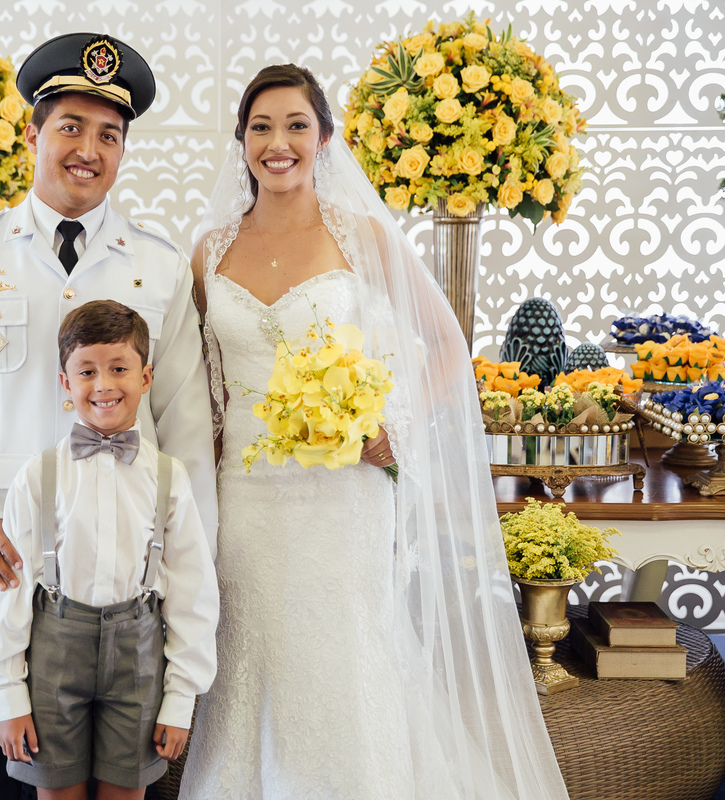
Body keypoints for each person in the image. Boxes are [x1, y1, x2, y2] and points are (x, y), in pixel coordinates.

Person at [177, 65, 569, 799]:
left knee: (346, 660)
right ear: (242, 143)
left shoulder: (359, 236)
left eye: (296, 124)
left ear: (324, 138)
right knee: (251, 660)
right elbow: (199, 386)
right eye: (260, 127)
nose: (278, 142)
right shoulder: (207, 250)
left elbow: (447, 347)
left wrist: (399, 429)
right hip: (246, 502)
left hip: (344, 496)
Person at [0, 33, 217, 800]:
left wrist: (182, 557)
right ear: (32, 133)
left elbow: (183, 423)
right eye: (71, 127)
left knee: (120, 771)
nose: (89, 149)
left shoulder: (161, 266)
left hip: (118, 572)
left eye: (109, 134)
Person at [0, 300, 218, 800]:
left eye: (119, 369)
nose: (104, 385)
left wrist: (179, 700)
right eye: (87, 371)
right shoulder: (38, 475)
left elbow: (193, 591)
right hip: (54, 652)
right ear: (66, 383)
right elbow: (12, 590)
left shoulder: (170, 478)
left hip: (138, 654)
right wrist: (8, 695)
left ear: (146, 376)